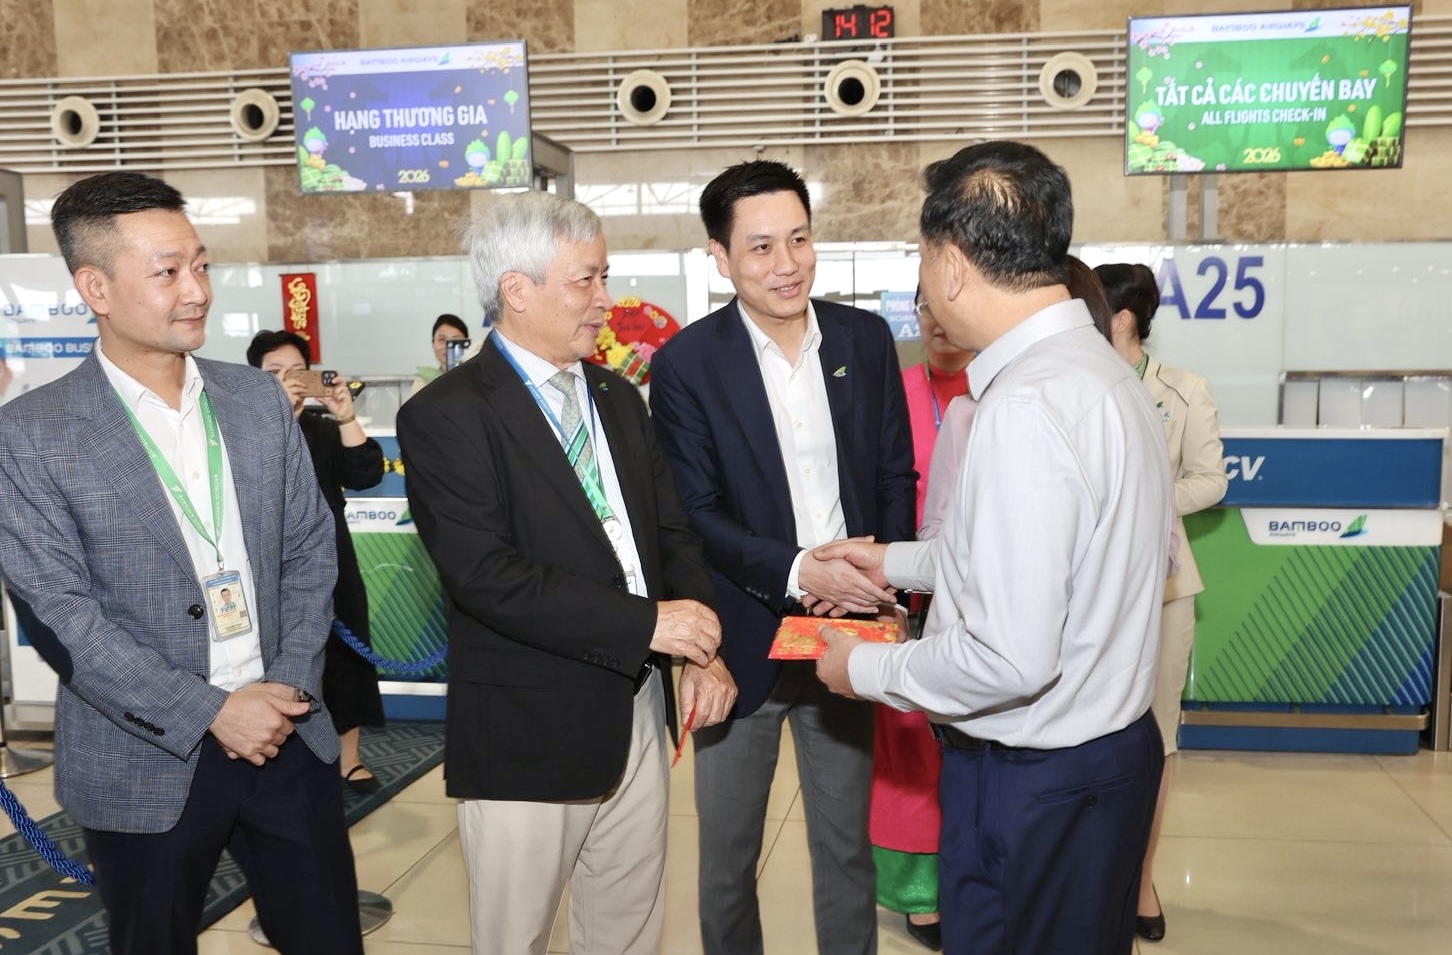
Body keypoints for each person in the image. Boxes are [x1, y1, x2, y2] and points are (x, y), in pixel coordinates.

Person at [813, 141, 1174, 955]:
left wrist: (862, 668)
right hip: (1103, 758)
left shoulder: (1026, 408)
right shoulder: (1097, 372)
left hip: (1037, 782)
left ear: (951, 265)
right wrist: (891, 560)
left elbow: (1009, 657)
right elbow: (1031, 560)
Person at [0, 171, 361, 955]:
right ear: (95, 287)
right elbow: (63, 618)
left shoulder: (257, 400)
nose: (195, 290)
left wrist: (287, 684)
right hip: (142, 754)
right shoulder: (31, 434)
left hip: (286, 733)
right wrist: (210, 710)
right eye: (166, 271)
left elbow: (310, 548)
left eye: (200, 264)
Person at [396, 191, 736, 955]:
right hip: (528, 728)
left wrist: (701, 648)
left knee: (627, 931)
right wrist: (651, 624)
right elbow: (486, 575)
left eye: (604, 276)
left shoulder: (617, 398)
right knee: (516, 937)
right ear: (517, 290)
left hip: (637, 707)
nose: (606, 300)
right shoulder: (449, 413)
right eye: (587, 280)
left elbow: (670, 533)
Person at [649, 159, 916, 955]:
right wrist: (802, 570)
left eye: (799, 239)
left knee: (846, 849)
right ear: (720, 257)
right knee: (728, 859)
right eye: (761, 246)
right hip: (741, 641)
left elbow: (893, 473)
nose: (787, 263)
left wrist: (884, 582)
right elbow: (695, 513)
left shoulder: (863, 339)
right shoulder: (688, 363)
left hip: (850, 632)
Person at [1093, 261, 1228, 943]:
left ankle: (1142, 877)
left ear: (1121, 317)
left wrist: (1144, 498)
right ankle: (1092, 874)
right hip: (1088, 588)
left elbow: (1211, 480)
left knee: (1157, 738)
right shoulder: (1077, 381)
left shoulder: (1183, 389)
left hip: (1165, 587)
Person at [872, 287, 973, 951]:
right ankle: (918, 891)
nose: (937, 323)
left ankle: (969, 876)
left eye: (947, 307)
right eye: (924, 309)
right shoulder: (895, 392)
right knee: (906, 739)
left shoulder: (1000, 389)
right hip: (904, 592)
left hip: (978, 594)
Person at [247, 329, 388, 795]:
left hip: (332, 558)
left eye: (296, 371)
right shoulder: (243, 429)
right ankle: (290, 761)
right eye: (274, 372)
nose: (288, 379)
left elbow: (367, 473)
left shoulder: (323, 428)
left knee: (347, 660)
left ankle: (349, 758)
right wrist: (279, 416)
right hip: (270, 565)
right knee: (285, 662)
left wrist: (345, 414)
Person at [408, 313, 470, 397]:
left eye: (456, 340)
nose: (448, 346)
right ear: (433, 343)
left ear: (467, 344)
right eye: (442, 340)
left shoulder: (477, 377)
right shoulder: (423, 383)